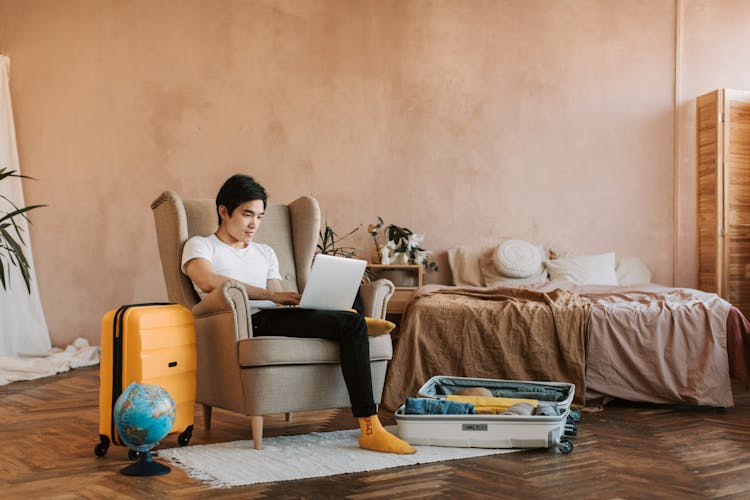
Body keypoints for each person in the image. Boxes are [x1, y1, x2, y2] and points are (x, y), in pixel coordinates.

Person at [181, 173, 416, 455]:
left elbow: (279, 294)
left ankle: (356, 319)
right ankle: (369, 427)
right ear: (223, 211)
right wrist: (271, 296)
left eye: (259, 216)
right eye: (247, 214)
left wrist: (302, 299)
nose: (254, 224)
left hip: (275, 317)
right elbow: (207, 281)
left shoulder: (265, 252)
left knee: (348, 289)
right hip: (247, 322)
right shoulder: (201, 245)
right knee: (352, 325)